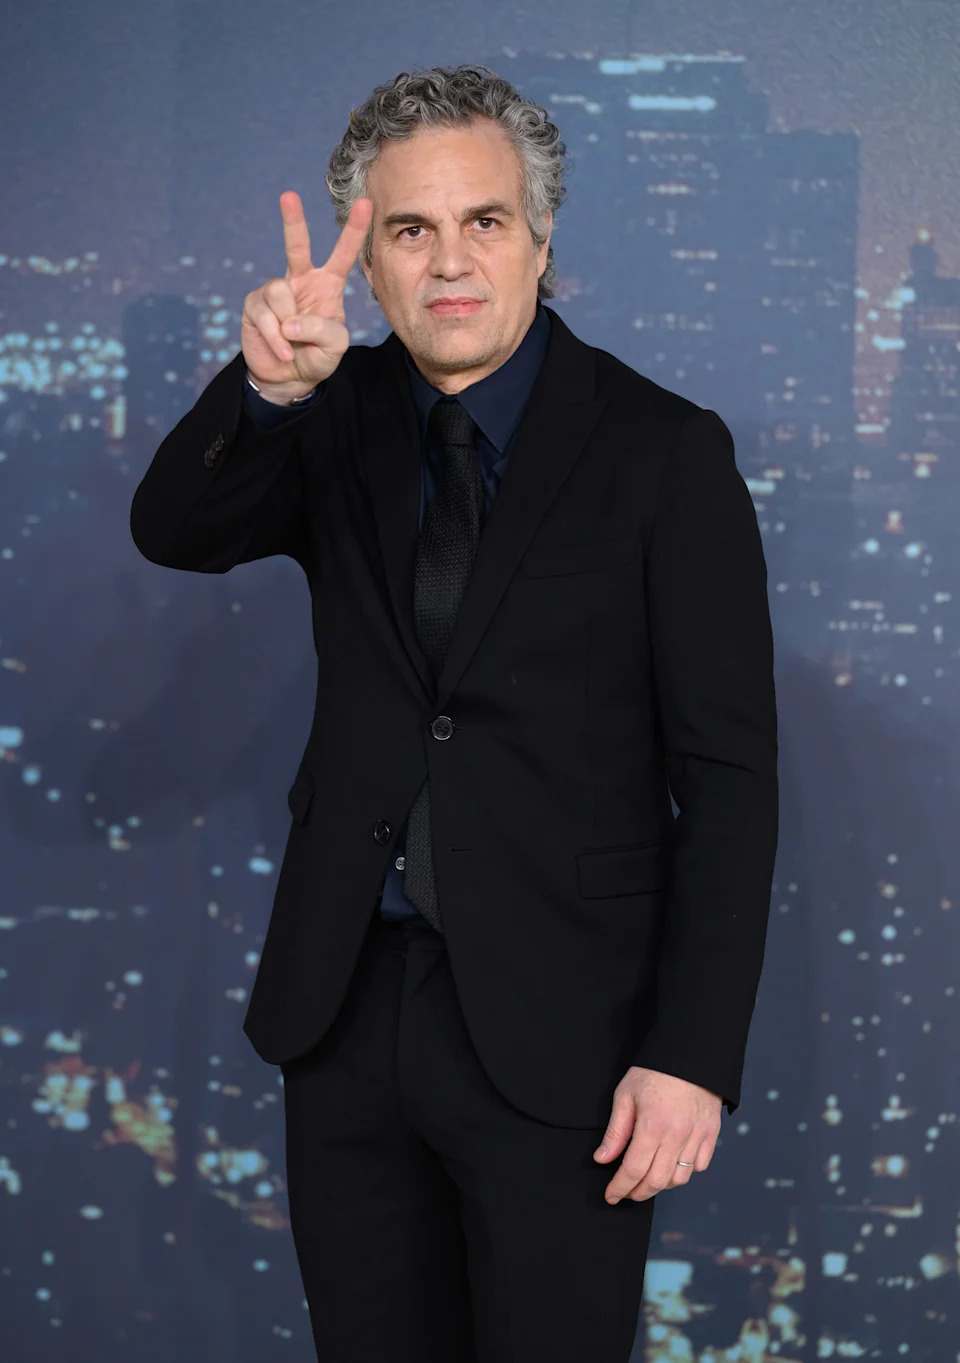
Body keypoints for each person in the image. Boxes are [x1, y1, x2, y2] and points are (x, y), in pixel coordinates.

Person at [130, 61, 778, 1363]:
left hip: (570, 1039)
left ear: (542, 237)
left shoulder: (664, 450)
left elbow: (729, 775)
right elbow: (175, 530)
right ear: (370, 266)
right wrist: (267, 394)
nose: (449, 262)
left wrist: (691, 1054)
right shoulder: (330, 413)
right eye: (410, 231)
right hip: (347, 1009)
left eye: (483, 220)